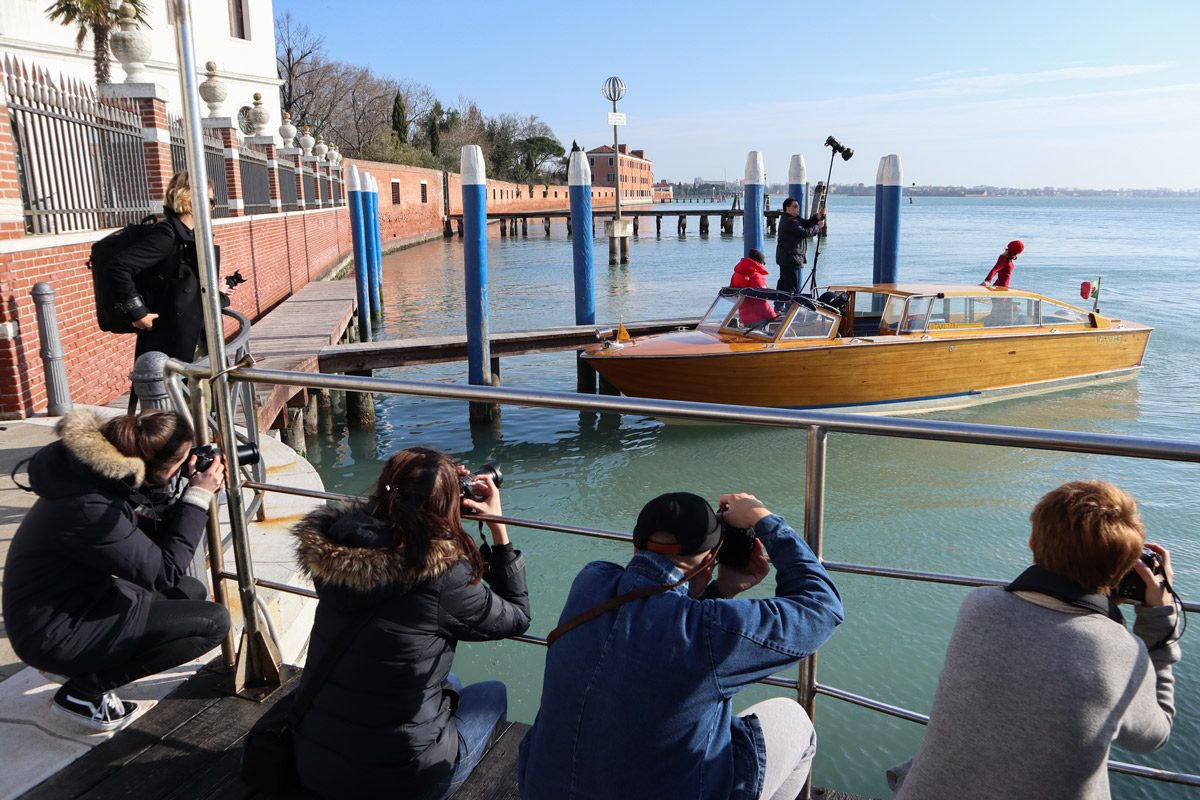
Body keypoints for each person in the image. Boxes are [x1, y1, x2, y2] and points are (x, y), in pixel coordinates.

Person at [519, 491, 844, 800]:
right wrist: (762, 517)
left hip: (543, 789)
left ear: (636, 549)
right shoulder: (707, 632)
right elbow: (823, 608)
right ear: (710, 560)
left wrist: (721, 590)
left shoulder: (590, 581)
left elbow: (655, 631)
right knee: (795, 720)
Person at [887, 480, 1181, 799]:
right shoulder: (1121, 650)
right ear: (1126, 570)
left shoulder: (979, 607)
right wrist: (1157, 621)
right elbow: (1152, 738)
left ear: (1031, 541)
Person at [290, 446, 531, 799]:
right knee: (491, 693)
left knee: (452, 681)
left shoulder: (335, 544)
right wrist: (498, 529)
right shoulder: (443, 577)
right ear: (443, 506)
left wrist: (435, 489)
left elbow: (383, 524)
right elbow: (518, 616)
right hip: (400, 781)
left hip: (314, 763)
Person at [2, 408, 229, 732]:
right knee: (213, 622)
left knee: (189, 592)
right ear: (152, 469)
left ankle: (79, 667)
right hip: (53, 632)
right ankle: (85, 690)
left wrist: (181, 494)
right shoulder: (91, 510)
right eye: (180, 463)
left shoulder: (87, 478)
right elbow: (164, 571)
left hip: (74, 606)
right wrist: (197, 496)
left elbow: (152, 553)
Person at [109, 170, 219, 364]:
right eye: (211, 201)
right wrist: (137, 313)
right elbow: (118, 266)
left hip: (196, 334)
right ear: (192, 200)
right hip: (172, 339)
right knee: (179, 393)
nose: (212, 208)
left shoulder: (191, 235)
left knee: (205, 390)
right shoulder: (167, 234)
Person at [775, 197, 826, 294]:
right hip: (790, 258)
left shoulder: (793, 219)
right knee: (791, 287)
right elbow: (804, 232)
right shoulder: (788, 222)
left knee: (784, 284)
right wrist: (818, 227)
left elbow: (806, 223)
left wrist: (817, 217)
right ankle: (789, 307)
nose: (798, 208)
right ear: (787, 208)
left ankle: (780, 306)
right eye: (795, 206)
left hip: (790, 258)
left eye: (798, 206)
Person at [730, 248, 776, 327]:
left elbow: (732, 294)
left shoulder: (736, 275)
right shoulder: (757, 277)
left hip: (743, 316)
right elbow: (762, 301)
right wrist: (773, 316)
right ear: (760, 263)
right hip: (758, 319)